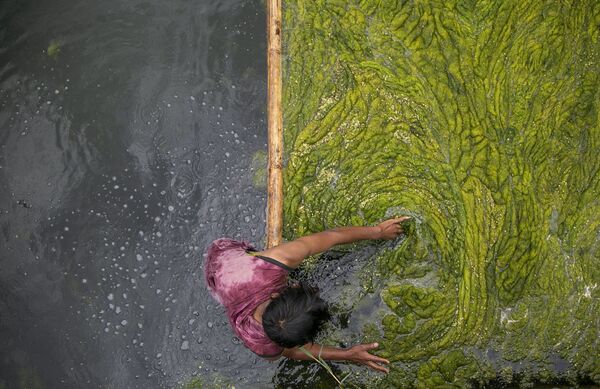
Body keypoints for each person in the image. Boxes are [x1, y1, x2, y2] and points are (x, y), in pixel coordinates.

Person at [204, 217, 410, 373]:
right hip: (223, 273)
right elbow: (292, 352)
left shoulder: (272, 262)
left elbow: (333, 237)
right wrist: (348, 355)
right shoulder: (259, 342)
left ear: (277, 295)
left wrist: (378, 231)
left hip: (230, 264)